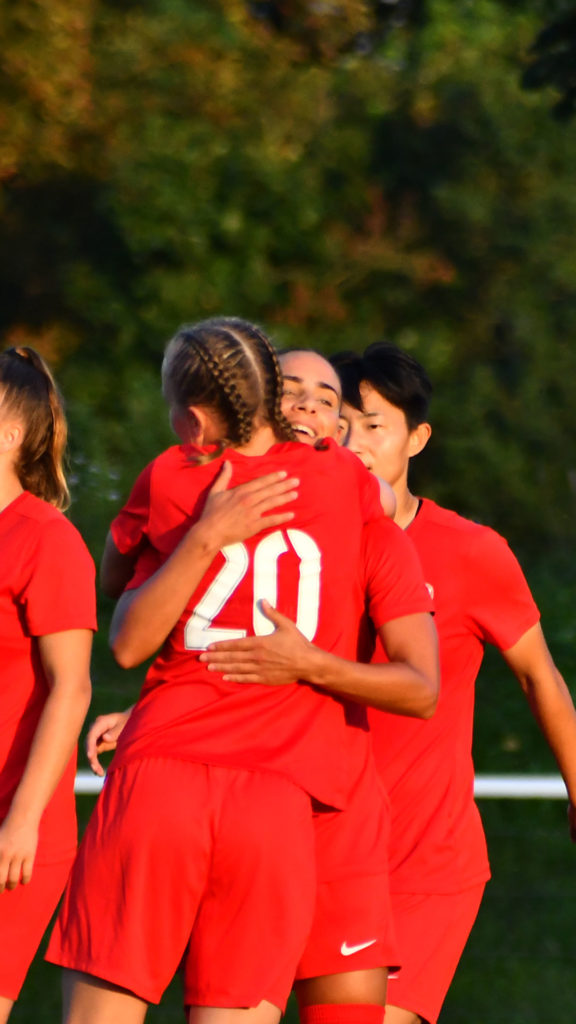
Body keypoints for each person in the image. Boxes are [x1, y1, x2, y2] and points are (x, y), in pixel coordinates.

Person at [47, 320, 437, 1024]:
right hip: (276, 802)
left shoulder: (172, 473)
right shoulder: (345, 482)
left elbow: (123, 621)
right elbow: (377, 510)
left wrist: (197, 536)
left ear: (195, 417)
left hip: (162, 777)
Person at [200, 341, 576, 1024]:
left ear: (418, 437)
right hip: (298, 848)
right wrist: (142, 715)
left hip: (420, 866)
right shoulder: (293, 540)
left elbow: (540, 679)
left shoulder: (473, 552)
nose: (357, 441)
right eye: (343, 423)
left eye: (376, 425)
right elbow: (233, 653)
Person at [0, 347, 96, 1024]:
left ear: (8, 433)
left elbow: (73, 688)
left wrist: (23, 821)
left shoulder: (47, 539)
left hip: (13, 824)